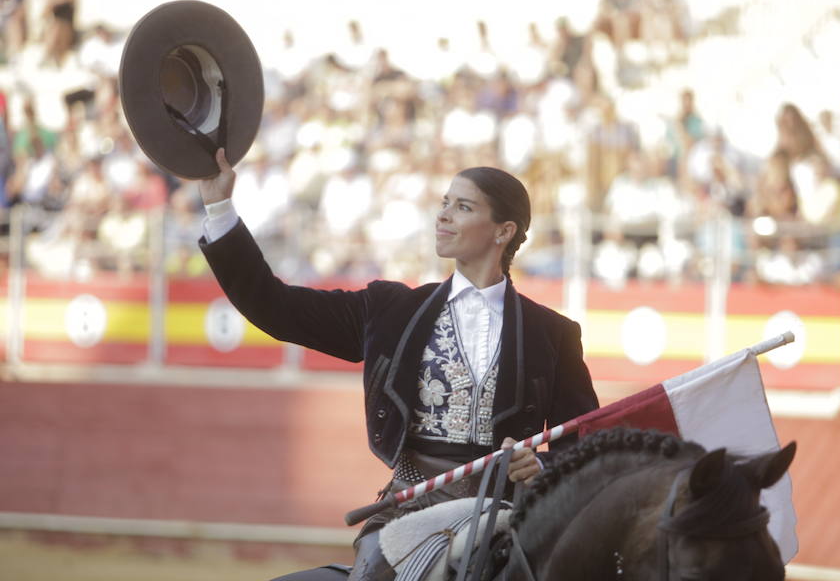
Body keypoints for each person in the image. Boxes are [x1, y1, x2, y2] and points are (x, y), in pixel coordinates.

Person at [198, 148, 599, 579]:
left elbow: (585, 442)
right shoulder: (391, 310)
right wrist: (220, 208)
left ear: (503, 231)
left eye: (463, 207)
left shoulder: (552, 333)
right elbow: (276, 307)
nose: (443, 216)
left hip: (506, 512)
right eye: (445, 203)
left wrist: (540, 467)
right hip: (410, 506)